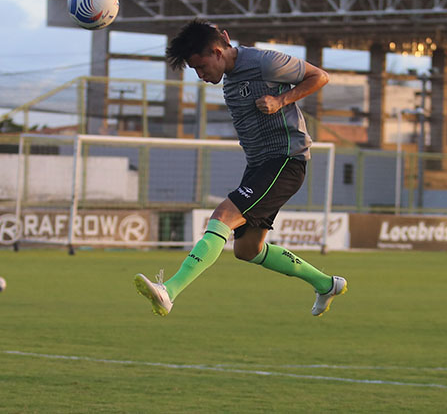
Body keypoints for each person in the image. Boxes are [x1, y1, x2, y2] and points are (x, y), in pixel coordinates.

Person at [134, 19, 347, 317]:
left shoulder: (265, 62)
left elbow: (319, 76)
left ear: (217, 52)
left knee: (222, 216)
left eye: (201, 66)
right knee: (247, 249)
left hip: (285, 160)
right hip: (259, 166)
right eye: (194, 70)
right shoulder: (230, 76)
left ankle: (169, 290)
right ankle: (326, 284)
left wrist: (281, 100)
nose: (200, 75)